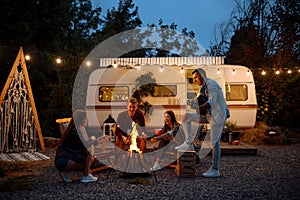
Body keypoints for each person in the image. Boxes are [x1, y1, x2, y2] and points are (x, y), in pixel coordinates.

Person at [175, 68, 229, 178]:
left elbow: (211, 103)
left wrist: (198, 107)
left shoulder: (212, 85)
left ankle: (215, 169)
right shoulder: (202, 87)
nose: (194, 80)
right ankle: (188, 141)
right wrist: (193, 102)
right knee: (186, 117)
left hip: (218, 115)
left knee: (215, 142)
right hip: (209, 115)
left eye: (196, 77)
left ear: (202, 76)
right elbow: (198, 98)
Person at [54, 110, 108, 183]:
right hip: (65, 160)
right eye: (85, 118)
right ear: (81, 120)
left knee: (91, 157)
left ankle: (64, 171)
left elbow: (83, 145)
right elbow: (87, 145)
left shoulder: (80, 128)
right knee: (90, 150)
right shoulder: (75, 131)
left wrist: (99, 140)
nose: (87, 120)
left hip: (64, 159)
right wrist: (93, 139)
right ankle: (85, 175)